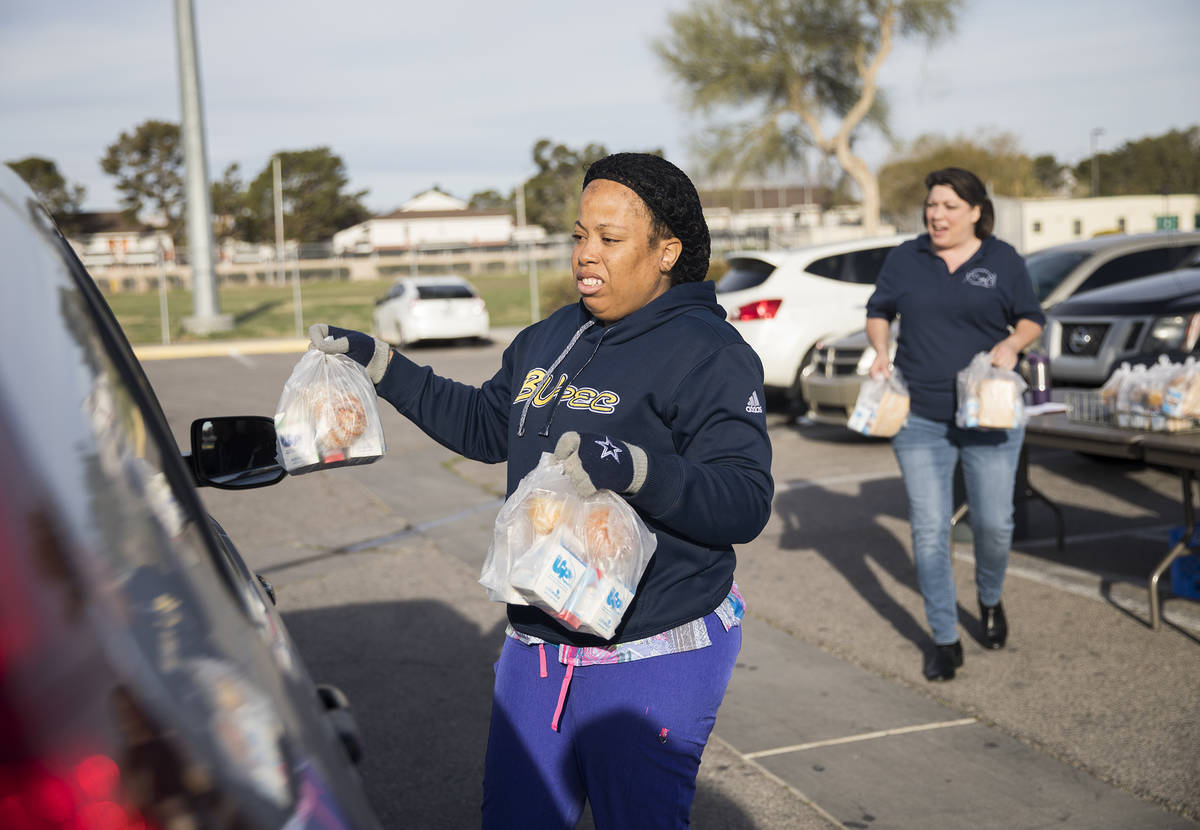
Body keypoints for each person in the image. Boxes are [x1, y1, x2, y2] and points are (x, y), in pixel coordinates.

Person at [308, 152, 774, 828]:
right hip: (537, 643)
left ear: (666, 250)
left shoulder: (711, 354)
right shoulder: (554, 335)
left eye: (610, 240)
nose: (587, 254)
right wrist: (381, 365)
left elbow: (743, 498)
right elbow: (485, 424)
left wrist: (636, 467)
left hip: (649, 649)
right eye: (580, 234)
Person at [865, 167, 1044, 682]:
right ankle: (944, 638)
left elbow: (1032, 316)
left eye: (948, 206)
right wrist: (880, 350)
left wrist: (1013, 344)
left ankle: (989, 599)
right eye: (932, 205)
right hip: (919, 418)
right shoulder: (907, 257)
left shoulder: (1002, 259)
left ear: (975, 212)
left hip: (988, 414)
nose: (936, 215)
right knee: (928, 532)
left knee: (993, 525)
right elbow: (879, 309)